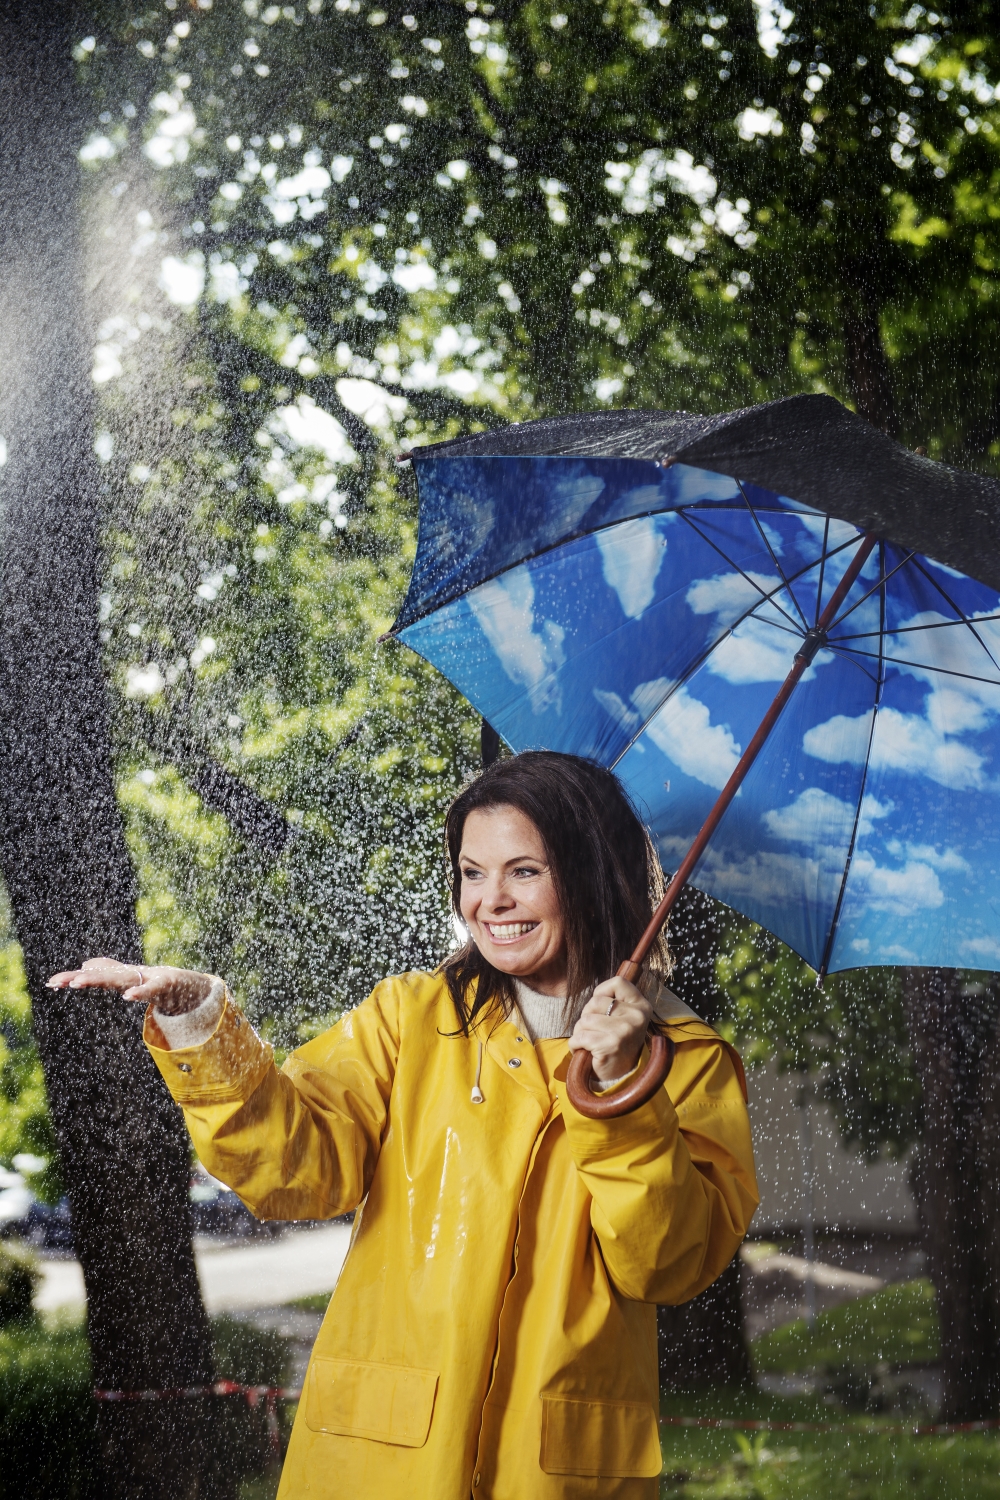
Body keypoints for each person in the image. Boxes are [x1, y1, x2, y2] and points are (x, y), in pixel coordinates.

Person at [49, 751, 757, 1500]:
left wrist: (623, 1093)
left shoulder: (686, 1064)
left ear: (590, 870)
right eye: (472, 872)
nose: (491, 901)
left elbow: (671, 1265)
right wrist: (201, 1028)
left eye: (524, 871)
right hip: (378, 1463)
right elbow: (296, 1169)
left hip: (558, 1475)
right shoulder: (411, 1019)